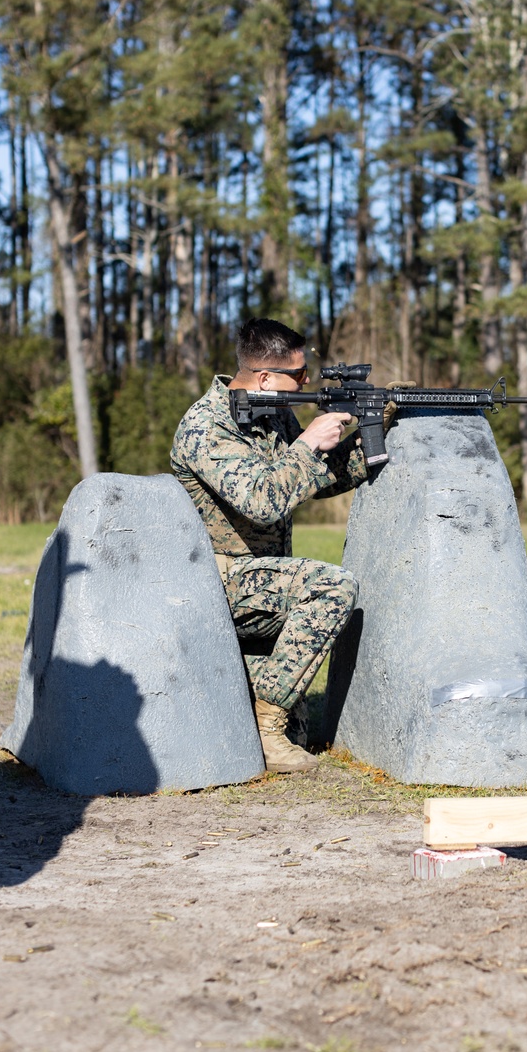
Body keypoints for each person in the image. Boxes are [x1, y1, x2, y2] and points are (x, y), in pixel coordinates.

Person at [171, 318, 366, 773]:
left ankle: (255, 695)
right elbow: (263, 500)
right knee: (331, 587)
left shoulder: (271, 411)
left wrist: (377, 433)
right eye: (297, 376)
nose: (306, 383)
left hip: (264, 578)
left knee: (305, 731)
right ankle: (267, 726)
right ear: (263, 378)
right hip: (217, 580)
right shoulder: (206, 427)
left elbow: (308, 482)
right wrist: (307, 443)